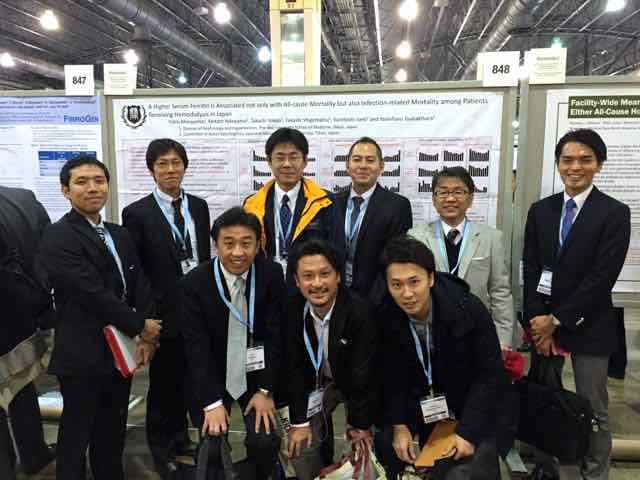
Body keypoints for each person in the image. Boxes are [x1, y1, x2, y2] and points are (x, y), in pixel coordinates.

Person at [39, 156, 162, 480]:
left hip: (119, 353)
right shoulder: (58, 236)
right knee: (76, 434)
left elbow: (139, 282)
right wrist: (140, 325)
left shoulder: (118, 234)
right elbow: (91, 293)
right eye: (82, 182)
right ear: (65, 190)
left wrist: (144, 332)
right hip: (83, 354)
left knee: (112, 430)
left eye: (99, 180)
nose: (92, 188)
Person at [523, 129, 631, 480]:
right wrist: (537, 320)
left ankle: (594, 474)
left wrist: (556, 319)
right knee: (545, 402)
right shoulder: (541, 210)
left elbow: (602, 277)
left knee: (594, 408)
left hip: (590, 326)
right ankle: (547, 468)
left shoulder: (614, 213)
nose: (575, 167)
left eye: (585, 160)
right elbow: (531, 267)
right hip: (544, 328)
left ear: (599, 164)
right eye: (567, 160)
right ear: (558, 164)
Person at [376, 235, 507, 480]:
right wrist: (399, 424)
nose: (407, 293)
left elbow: (490, 377)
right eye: (396, 285)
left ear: (431, 278)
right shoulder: (384, 314)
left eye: (414, 282)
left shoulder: (467, 309)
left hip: (468, 402)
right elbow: (391, 376)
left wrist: (467, 432)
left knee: (464, 471)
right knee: (386, 443)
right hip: (423, 401)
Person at [122, 138, 211, 476]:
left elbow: (203, 259)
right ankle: (161, 450)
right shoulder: (137, 213)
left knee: (191, 379)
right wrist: (147, 319)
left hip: (196, 309)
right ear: (152, 170)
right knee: (163, 386)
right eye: (162, 164)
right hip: (161, 313)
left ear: (184, 167)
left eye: (176, 163)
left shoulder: (199, 207)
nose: (170, 170)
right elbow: (137, 272)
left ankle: (181, 439)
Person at [180, 207, 284, 480]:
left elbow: (276, 336)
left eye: (246, 243)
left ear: (257, 245)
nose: (238, 252)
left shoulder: (271, 275)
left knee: (265, 441)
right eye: (229, 243)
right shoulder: (194, 283)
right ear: (216, 245)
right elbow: (196, 348)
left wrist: (265, 390)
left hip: (255, 374)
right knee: (213, 443)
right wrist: (211, 403)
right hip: (212, 373)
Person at [285, 239, 379, 480]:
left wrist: (359, 425)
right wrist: (299, 423)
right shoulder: (292, 309)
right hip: (319, 383)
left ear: (338, 276)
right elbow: (294, 369)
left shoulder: (360, 312)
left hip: (357, 385)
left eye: (324, 274)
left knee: (363, 448)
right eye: (308, 276)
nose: (317, 283)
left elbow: (364, 376)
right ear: (296, 280)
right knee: (299, 445)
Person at [409, 166, 514, 349]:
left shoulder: (491, 238)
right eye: (443, 192)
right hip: (432, 331)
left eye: (458, 192)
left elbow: (500, 292)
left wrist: (503, 340)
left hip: (477, 331)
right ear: (434, 199)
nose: (450, 198)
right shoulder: (416, 237)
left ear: (470, 198)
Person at [0, 186, 54, 478]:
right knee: (21, 384)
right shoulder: (22, 198)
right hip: (23, 316)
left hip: (11, 312)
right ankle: (35, 455)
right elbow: (46, 255)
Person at [244, 127, 345, 282]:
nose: (287, 164)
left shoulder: (325, 202)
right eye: (280, 157)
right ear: (269, 161)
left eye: (293, 157)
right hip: (267, 285)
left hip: (310, 285)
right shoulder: (252, 204)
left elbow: (337, 253)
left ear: (305, 161)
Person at [335, 137, 412, 305]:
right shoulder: (332, 203)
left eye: (370, 160)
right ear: (347, 165)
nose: (363, 166)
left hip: (375, 301)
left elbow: (395, 260)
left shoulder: (397, 206)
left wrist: (371, 303)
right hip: (334, 297)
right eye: (357, 159)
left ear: (381, 166)